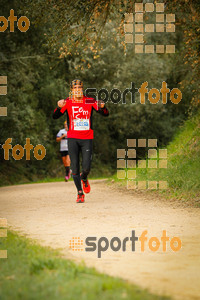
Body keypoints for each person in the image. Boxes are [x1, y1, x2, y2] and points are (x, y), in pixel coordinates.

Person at [53, 79, 109, 203]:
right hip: (72, 138)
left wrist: (103, 107)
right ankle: (79, 193)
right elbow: (55, 116)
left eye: (79, 88)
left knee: (86, 168)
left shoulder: (89, 100)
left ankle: (84, 178)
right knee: (74, 167)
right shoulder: (68, 102)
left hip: (87, 138)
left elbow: (105, 113)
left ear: (82, 89)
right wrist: (58, 107)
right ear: (71, 90)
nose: (77, 90)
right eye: (75, 88)